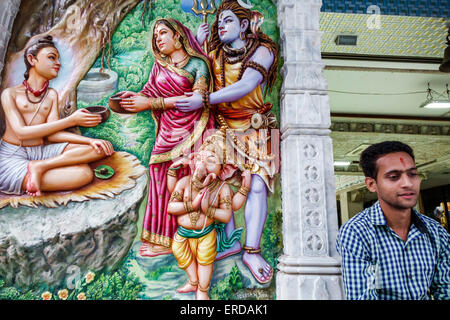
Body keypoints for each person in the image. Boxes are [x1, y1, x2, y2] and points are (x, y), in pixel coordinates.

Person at [176, 0, 279, 284]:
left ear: (244, 25)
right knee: (213, 181)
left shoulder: (263, 50)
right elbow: (195, 73)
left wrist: (205, 99)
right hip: (222, 127)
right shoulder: (214, 53)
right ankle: (229, 242)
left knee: (256, 186)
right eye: (219, 21)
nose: (221, 25)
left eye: (229, 21)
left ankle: (252, 250)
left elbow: (246, 85)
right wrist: (197, 45)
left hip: (255, 127)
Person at [119, 18, 215, 257]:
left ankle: (182, 238)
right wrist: (135, 98)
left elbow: (196, 101)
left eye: (163, 33)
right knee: (159, 177)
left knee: (184, 178)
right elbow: (150, 92)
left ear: (178, 35)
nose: (158, 39)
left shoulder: (197, 64)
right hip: (166, 132)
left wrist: (149, 103)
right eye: (155, 36)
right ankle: (160, 238)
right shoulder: (159, 67)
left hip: (191, 131)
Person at [0, 35, 114, 197]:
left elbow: (53, 135)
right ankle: (35, 170)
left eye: (58, 59)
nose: (58, 63)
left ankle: (40, 166)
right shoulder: (9, 94)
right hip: (13, 156)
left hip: (41, 151)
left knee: (99, 148)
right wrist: (71, 120)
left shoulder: (51, 95)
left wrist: (90, 141)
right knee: (83, 174)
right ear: (32, 59)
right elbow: (21, 132)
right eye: (51, 58)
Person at [336, 141, 450, 300]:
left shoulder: (436, 232)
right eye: (394, 177)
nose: (408, 183)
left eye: (412, 174)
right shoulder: (356, 232)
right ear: (371, 184)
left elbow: (445, 290)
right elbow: (362, 296)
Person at [167, 131, 250, 300]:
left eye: (211, 161)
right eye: (200, 159)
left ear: (223, 169)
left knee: (205, 262)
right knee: (180, 252)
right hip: (183, 233)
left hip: (206, 235)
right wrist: (193, 205)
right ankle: (193, 280)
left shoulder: (221, 188)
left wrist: (207, 209)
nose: (202, 165)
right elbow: (171, 207)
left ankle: (202, 291)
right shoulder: (184, 183)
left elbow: (226, 215)